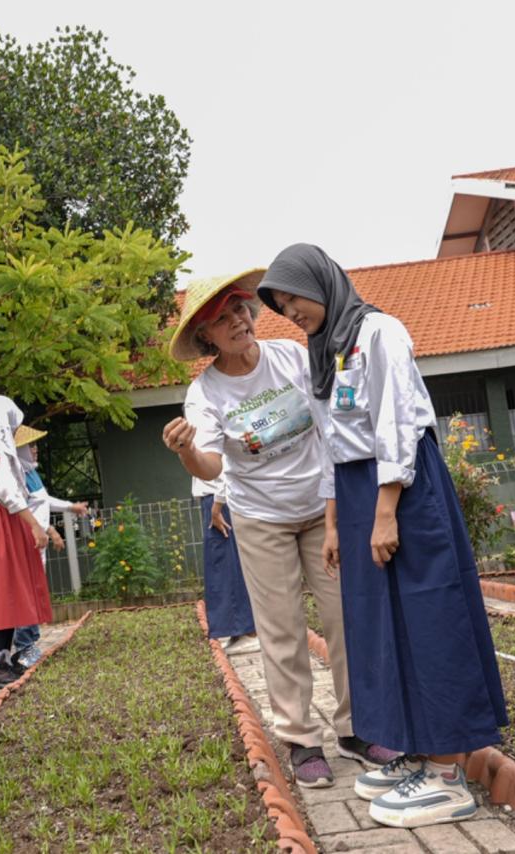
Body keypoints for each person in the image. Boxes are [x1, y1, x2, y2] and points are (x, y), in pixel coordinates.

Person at [257, 243, 508, 829]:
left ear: (321, 282)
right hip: (356, 494)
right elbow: (329, 443)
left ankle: (449, 772)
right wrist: (335, 522)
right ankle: (416, 748)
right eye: (280, 304)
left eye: (293, 295)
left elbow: (398, 422)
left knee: (426, 617)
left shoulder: (378, 332)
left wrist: (387, 509)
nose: (289, 310)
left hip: (403, 489)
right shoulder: (327, 352)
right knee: (379, 627)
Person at [161, 271, 397, 790]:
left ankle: (358, 729)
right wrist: (184, 451)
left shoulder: (291, 357)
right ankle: (301, 739)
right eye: (222, 320)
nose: (238, 322)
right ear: (207, 338)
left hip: (321, 509)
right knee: (282, 628)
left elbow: (334, 426)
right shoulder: (205, 393)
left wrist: (339, 513)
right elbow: (208, 465)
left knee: (344, 617)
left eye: (240, 310)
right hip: (260, 517)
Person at [0, 396, 52, 692]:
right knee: (5, 588)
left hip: (3, 519)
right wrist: (35, 527)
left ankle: (0, 661)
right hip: (4, 519)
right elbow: (8, 492)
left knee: (7, 589)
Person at [9, 424, 86, 668]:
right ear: (18, 449)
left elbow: (42, 502)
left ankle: (29, 642)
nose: (36, 449)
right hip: (27, 541)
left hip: (37, 541)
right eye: (30, 446)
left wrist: (69, 508)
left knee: (34, 592)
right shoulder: (17, 475)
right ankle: (24, 646)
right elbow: (21, 508)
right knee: (28, 594)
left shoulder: (31, 473)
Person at [194, 474, 259, 655]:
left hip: (219, 501)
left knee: (227, 563)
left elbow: (223, 467)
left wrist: (218, 504)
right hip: (216, 499)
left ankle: (249, 632)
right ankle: (237, 632)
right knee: (222, 564)